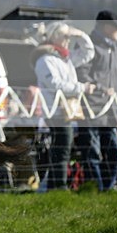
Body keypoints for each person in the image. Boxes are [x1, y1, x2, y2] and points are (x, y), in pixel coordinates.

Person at [31, 21, 96, 191]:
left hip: (64, 110)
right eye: (64, 36)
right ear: (54, 37)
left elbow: (88, 53)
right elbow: (55, 84)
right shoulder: (45, 60)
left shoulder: (64, 58)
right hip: (55, 111)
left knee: (61, 147)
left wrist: (80, 35)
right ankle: (58, 185)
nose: (68, 39)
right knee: (62, 148)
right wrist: (81, 87)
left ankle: (53, 185)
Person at [76, 10, 117, 192]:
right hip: (90, 110)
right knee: (92, 152)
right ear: (106, 27)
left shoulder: (114, 48)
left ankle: (106, 188)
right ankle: (95, 189)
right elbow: (81, 74)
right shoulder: (87, 47)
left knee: (114, 151)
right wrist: (100, 88)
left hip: (109, 111)